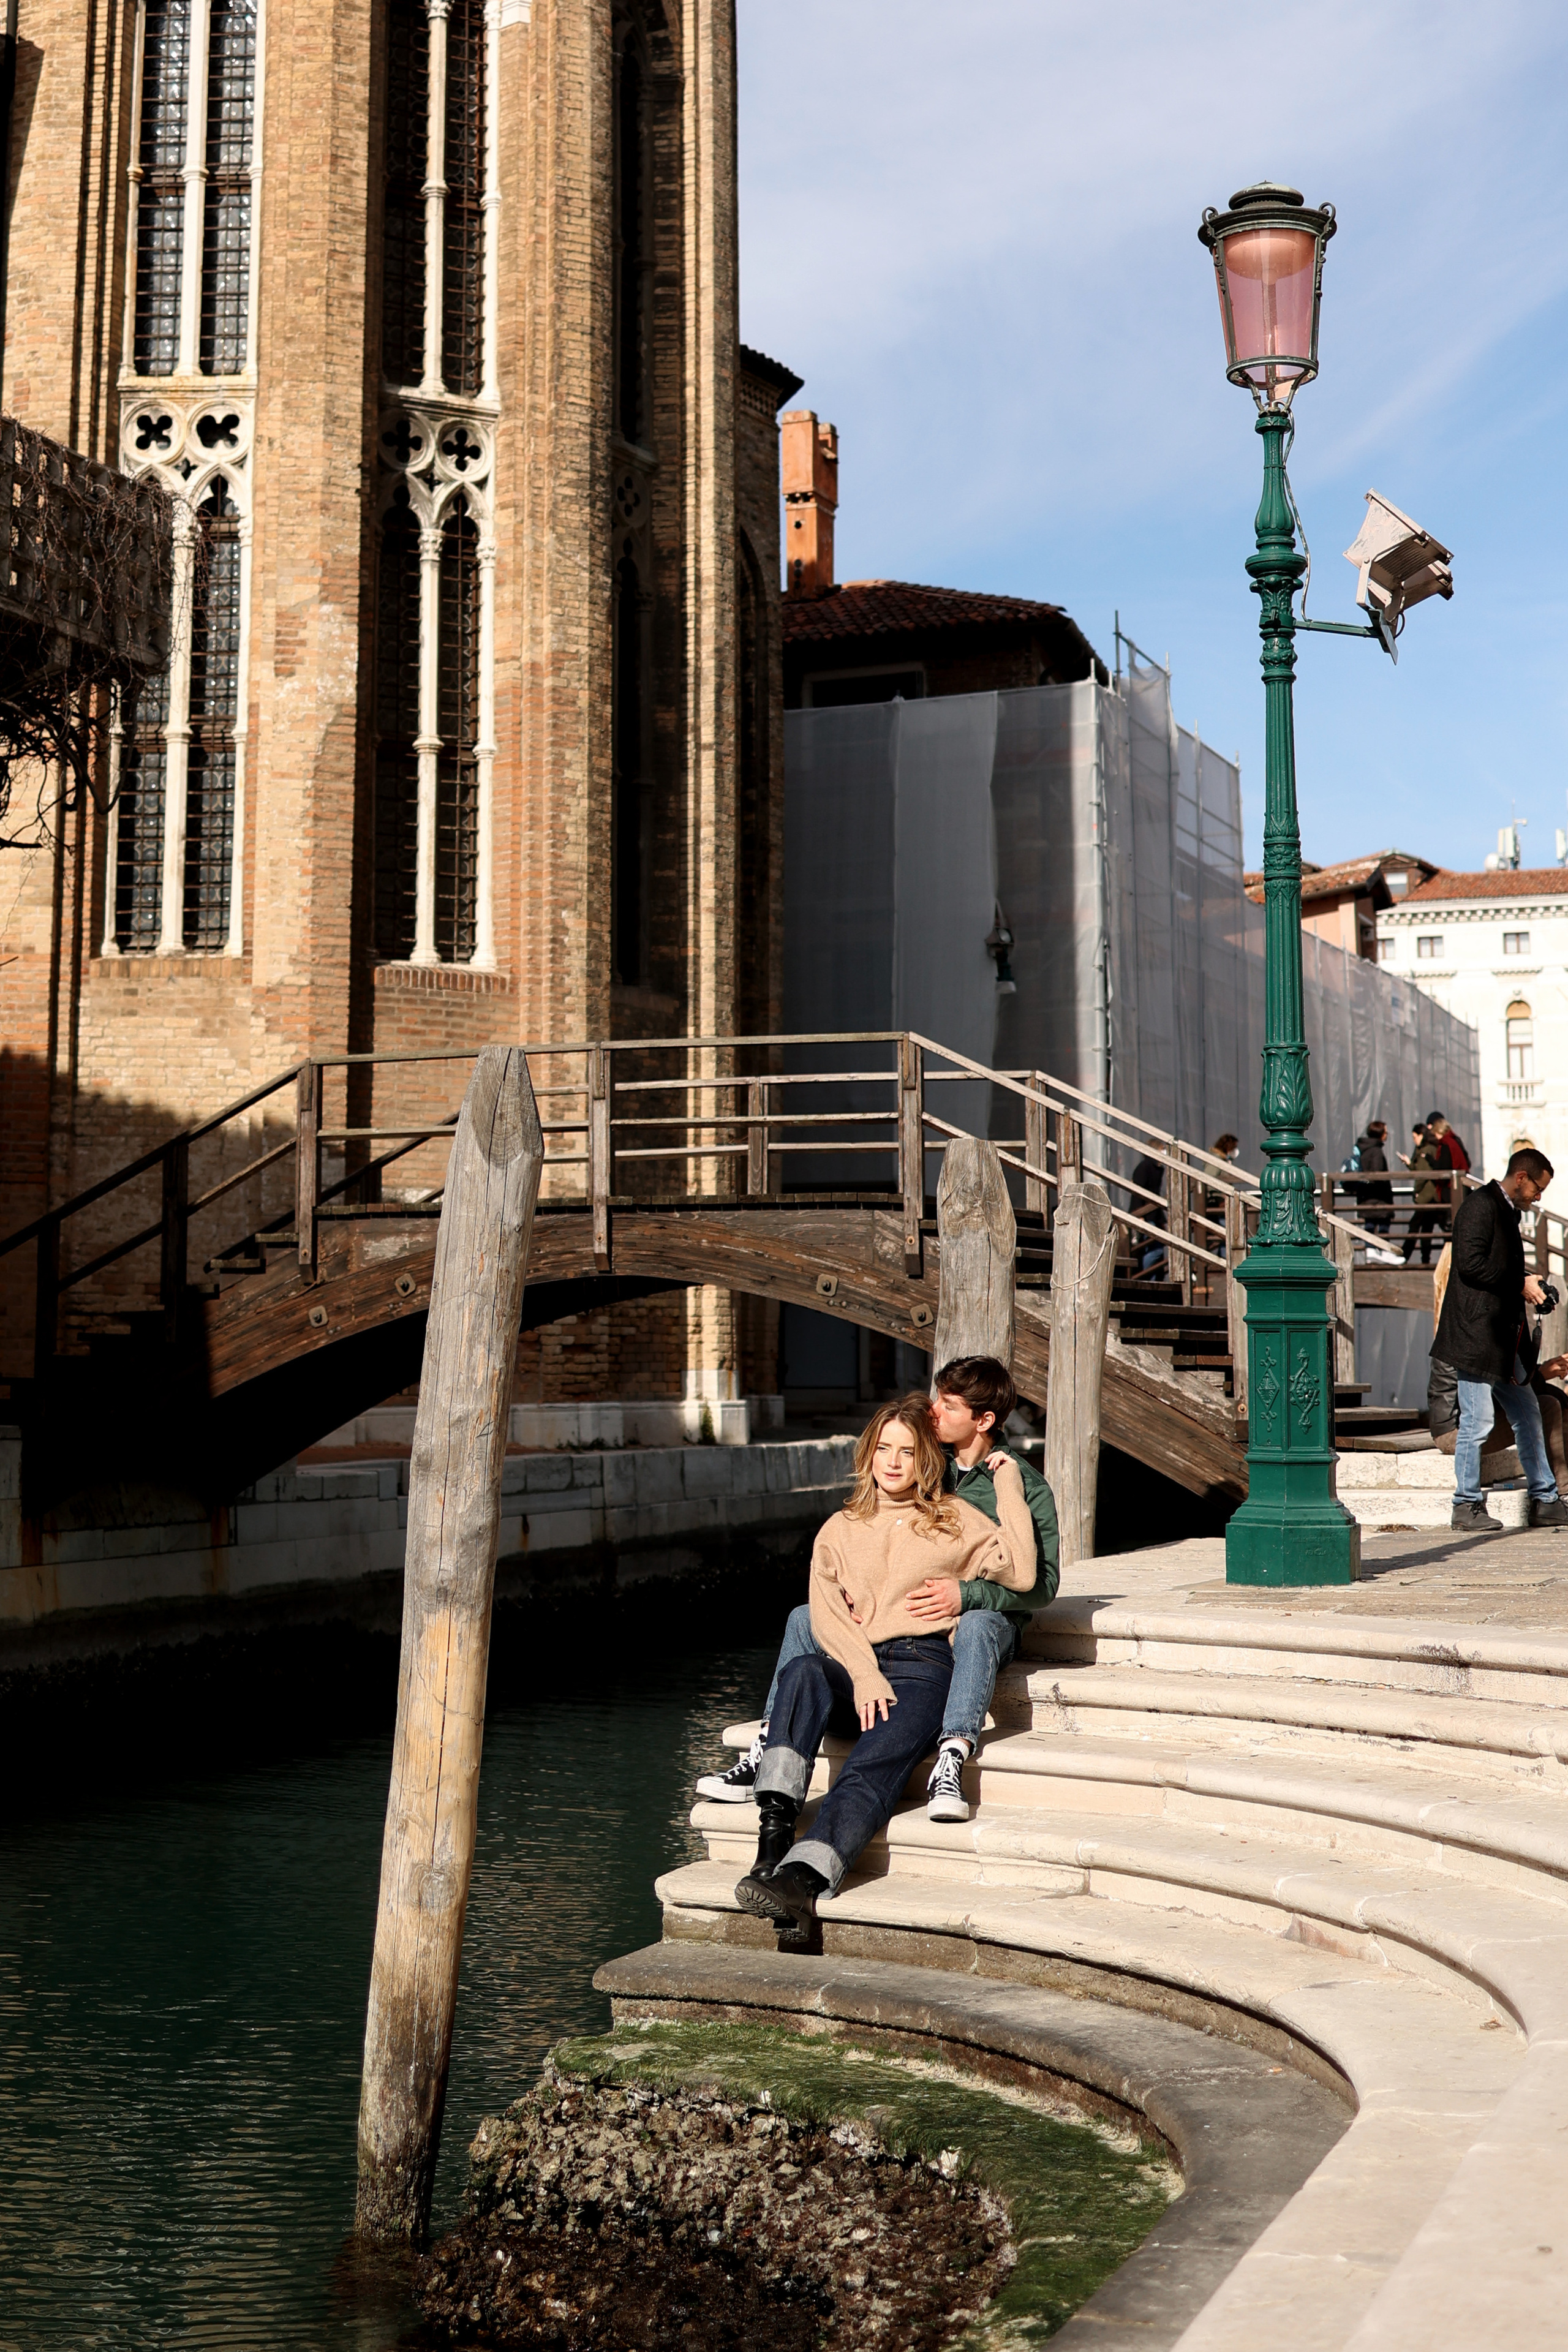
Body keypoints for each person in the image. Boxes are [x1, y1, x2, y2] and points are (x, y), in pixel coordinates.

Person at [696, 1357, 1058, 1824]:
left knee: (978, 1623)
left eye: (948, 1406)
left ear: (984, 1420)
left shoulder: (1025, 1484)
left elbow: (1041, 1585)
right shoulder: (927, 1460)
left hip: (983, 1621)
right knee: (806, 1616)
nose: (933, 1412)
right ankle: (767, 1746)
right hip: (903, 1620)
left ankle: (951, 1757)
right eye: (936, 1400)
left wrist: (967, 1595)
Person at [731, 1395, 1036, 1939]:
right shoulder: (840, 1529)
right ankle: (774, 1836)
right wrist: (865, 1671)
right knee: (802, 1670)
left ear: (926, 1461)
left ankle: (801, 1881)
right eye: (883, 1450)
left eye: (908, 1451)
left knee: (868, 1770)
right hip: (857, 1672)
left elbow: (1023, 1573)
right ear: (868, 1455)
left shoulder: (955, 1519)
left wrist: (1010, 1486)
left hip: (923, 1670)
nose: (893, 1462)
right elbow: (824, 1615)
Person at [1431, 1146, 1568, 1532]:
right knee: (1477, 1421)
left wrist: (1532, 1283)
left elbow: (1499, 1268)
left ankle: (1545, 1499)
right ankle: (1466, 1505)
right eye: (1538, 1189)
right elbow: (1470, 1266)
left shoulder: (1506, 1210)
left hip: (1501, 1344)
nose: (1539, 1197)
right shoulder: (1480, 1205)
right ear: (1521, 1177)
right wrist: (1520, 1283)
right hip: (1475, 1340)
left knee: (1528, 1414)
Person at [1400, 1122, 1446, 1264]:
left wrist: (1417, 1192)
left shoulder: (1426, 1150)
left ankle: (1404, 1256)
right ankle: (1424, 1259)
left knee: (1415, 1226)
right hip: (1432, 1196)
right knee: (1427, 1228)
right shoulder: (1430, 1148)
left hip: (1426, 1196)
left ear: (1421, 1135)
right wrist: (1409, 1163)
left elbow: (1422, 1174)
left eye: (1415, 1137)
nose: (1414, 1140)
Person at [1354, 1121, 1394, 1240]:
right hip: (1379, 1197)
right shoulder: (1376, 1151)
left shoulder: (1364, 1149)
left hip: (1366, 1196)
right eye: (1385, 1132)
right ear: (1380, 1134)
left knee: (1370, 1225)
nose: (1387, 1134)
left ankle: (1370, 1249)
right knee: (1383, 1225)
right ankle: (1382, 1250)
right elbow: (1378, 1174)